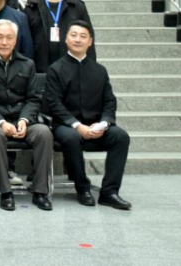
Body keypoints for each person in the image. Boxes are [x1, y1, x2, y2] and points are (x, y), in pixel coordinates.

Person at [0, 19, 53, 211]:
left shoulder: (27, 64)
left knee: (44, 132)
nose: (4, 42)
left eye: (9, 37)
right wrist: (1, 121)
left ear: (15, 40)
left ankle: (40, 191)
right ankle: (6, 192)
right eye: (0, 37)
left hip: (21, 119)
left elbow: (33, 98)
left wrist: (24, 119)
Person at [43, 20, 131, 210]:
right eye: (73, 35)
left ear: (90, 41)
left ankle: (109, 192)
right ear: (66, 39)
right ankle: (82, 188)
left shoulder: (100, 70)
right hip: (66, 126)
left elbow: (110, 101)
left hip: (96, 126)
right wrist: (77, 125)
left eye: (83, 36)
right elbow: (54, 104)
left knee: (120, 137)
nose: (78, 39)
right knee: (71, 137)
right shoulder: (55, 69)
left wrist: (104, 124)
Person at [24, 0, 95, 72]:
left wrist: (90, 67)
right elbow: (25, 40)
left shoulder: (76, 6)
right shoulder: (32, 6)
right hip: (40, 66)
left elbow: (88, 36)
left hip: (71, 67)